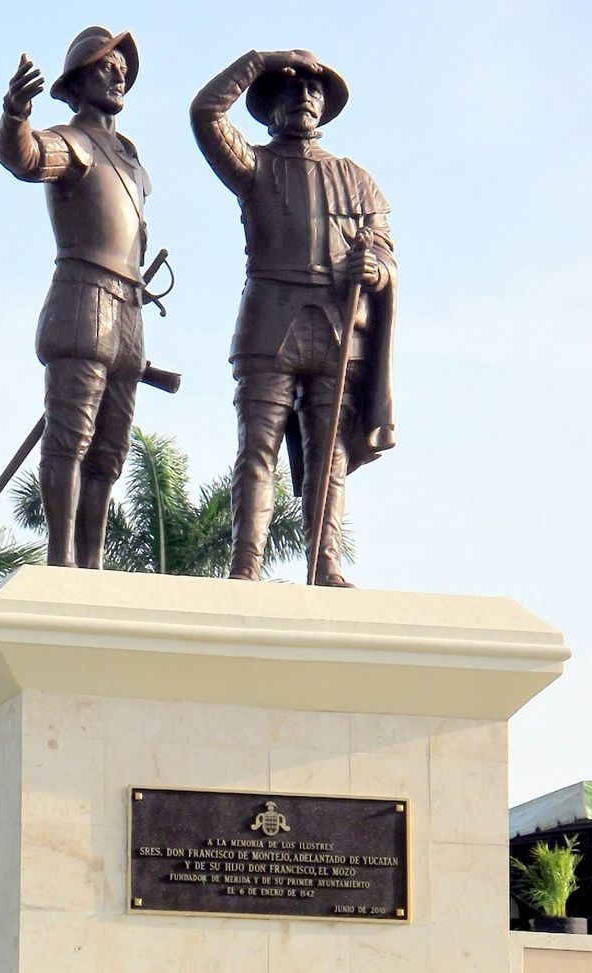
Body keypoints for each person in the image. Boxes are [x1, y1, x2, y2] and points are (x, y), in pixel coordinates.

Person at [191, 49, 397, 587]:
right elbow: (205, 114)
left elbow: (386, 256)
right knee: (257, 447)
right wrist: (259, 61)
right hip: (268, 322)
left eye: (313, 88)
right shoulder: (253, 165)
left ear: (326, 105)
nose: (303, 96)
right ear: (268, 107)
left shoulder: (359, 181)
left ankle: (324, 562)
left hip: (337, 326)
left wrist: (373, 269)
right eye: (289, 89)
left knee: (329, 454)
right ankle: (245, 566)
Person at [0, 26, 150, 568]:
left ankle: (92, 563)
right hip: (84, 298)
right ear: (78, 82)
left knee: (110, 453)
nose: (119, 74)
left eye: (122, 68)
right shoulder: (74, 142)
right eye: (107, 66)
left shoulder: (128, 157)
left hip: (128, 310)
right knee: (71, 439)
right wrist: (16, 116)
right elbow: (27, 158)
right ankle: (61, 561)